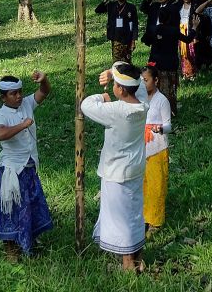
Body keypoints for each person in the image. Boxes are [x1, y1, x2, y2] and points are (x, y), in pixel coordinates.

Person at [82, 63, 149, 272]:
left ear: (120, 89)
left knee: (122, 220)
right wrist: (113, 73)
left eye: (116, 84)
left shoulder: (117, 111)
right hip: (135, 168)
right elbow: (137, 83)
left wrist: (101, 97)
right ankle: (137, 256)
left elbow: (85, 105)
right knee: (135, 213)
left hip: (117, 172)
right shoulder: (143, 102)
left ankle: (128, 263)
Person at [0, 71, 54, 261]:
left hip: (29, 166)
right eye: (13, 94)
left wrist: (44, 80)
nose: (18, 96)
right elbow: (0, 134)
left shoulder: (26, 103)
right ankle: (11, 249)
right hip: (12, 169)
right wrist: (23, 124)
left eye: (20, 92)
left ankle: (28, 243)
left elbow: (44, 92)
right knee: (11, 209)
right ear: (3, 97)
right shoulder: (0, 115)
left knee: (31, 206)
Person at [141, 0, 192, 114]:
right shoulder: (155, 7)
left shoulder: (173, 9)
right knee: (168, 84)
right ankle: (167, 108)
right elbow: (187, 39)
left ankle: (158, 107)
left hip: (159, 52)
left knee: (160, 80)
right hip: (168, 54)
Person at [141, 64, 173, 233]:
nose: (143, 84)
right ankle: (144, 217)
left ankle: (155, 220)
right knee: (143, 184)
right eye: (141, 81)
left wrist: (160, 129)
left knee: (156, 185)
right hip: (141, 147)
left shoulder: (162, 101)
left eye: (146, 80)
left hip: (157, 147)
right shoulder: (139, 99)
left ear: (156, 81)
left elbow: (168, 125)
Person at [97, 0, 139, 64]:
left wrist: (133, 41)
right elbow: (98, 10)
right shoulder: (111, 5)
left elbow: (135, 24)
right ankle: (116, 75)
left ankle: (127, 76)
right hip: (115, 37)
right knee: (116, 62)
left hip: (127, 38)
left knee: (127, 61)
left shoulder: (131, 7)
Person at [192, 0, 212, 72]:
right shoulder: (194, 1)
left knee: (207, 48)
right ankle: (198, 67)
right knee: (197, 48)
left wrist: (211, 32)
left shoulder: (209, 2)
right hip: (197, 28)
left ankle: (208, 66)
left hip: (207, 28)